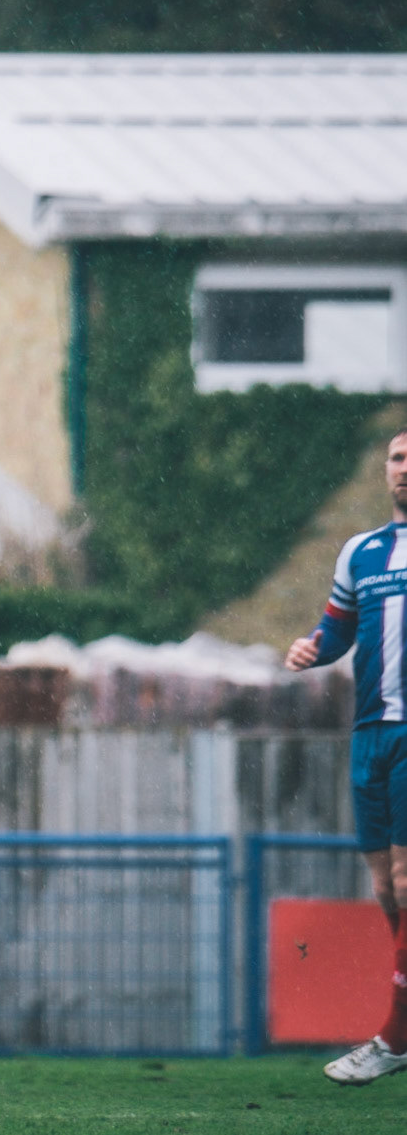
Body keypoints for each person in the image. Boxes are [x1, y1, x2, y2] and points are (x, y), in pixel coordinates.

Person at [286, 424, 407, 1085]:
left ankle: (394, 1035)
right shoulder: (361, 551)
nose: (403, 467)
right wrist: (312, 646)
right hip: (369, 734)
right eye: (396, 455)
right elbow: (337, 627)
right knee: (386, 888)